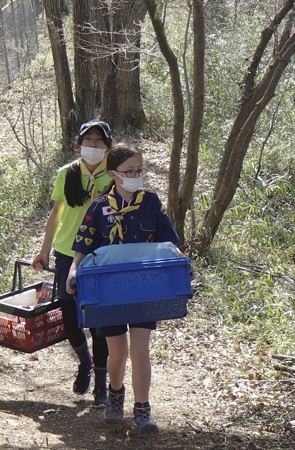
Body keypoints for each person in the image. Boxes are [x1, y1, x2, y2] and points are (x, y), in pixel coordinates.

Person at [66, 143, 192, 434]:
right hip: (111, 291)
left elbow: (167, 242)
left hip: (144, 286)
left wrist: (182, 261)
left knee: (140, 350)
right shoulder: (99, 207)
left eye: (139, 170)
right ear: (113, 173)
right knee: (118, 353)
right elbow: (83, 246)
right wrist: (74, 270)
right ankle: (116, 393)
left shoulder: (150, 202)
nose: (136, 175)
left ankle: (143, 409)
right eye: (129, 171)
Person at [32, 119, 113, 408]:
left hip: (102, 256)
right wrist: (44, 250)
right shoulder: (66, 174)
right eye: (88, 140)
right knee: (69, 317)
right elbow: (56, 214)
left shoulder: (115, 174)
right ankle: (85, 362)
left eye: (99, 141)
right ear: (78, 144)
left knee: (100, 322)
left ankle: (102, 383)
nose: (93, 145)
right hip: (67, 253)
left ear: (107, 147)